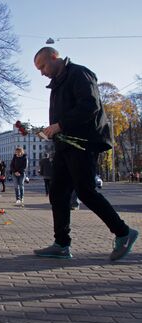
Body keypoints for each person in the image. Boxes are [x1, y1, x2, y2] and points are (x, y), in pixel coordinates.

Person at [32, 47, 138, 261]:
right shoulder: (58, 82)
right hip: (65, 146)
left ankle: (123, 232)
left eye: (42, 66)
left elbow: (90, 106)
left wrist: (59, 125)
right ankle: (61, 243)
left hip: (83, 144)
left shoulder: (80, 74)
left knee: (86, 191)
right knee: (58, 193)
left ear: (54, 57)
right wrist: (51, 130)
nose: (41, 72)